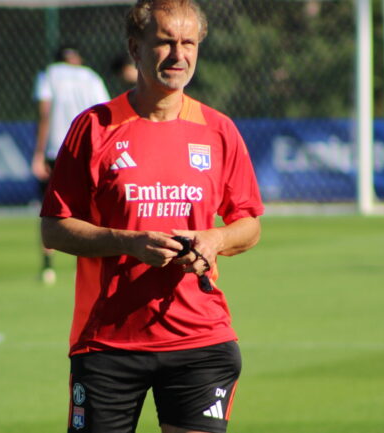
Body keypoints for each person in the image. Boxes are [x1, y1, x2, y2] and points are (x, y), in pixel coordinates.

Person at [39, 1, 264, 432]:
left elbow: (249, 223)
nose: (179, 55)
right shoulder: (94, 128)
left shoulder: (218, 130)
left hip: (201, 338)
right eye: (164, 42)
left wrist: (213, 241)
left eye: (188, 43)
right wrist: (128, 242)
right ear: (134, 48)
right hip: (107, 343)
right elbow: (54, 227)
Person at [31, 46, 110, 284]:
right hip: (92, 149)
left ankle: (47, 267)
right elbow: (106, 113)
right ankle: (89, 266)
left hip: (58, 149)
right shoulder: (91, 76)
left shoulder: (48, 74)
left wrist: (38, 153)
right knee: (94, 209)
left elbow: (44, 114)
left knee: (53, 211)